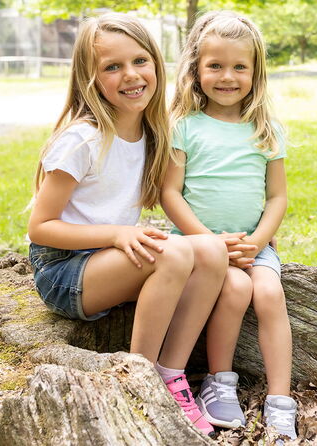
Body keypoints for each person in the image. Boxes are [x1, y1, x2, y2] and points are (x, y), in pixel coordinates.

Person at [26, 12, 226, 437]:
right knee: (172, 252)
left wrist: (221, 233)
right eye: (112, 67)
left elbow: (174, 200)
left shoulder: (152, 133)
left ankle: (170, 374)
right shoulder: (82, 139)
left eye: (140, 61)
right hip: (65, 270)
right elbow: (40, 227)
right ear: (89, 79)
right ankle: (137, 385)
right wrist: (118, 234)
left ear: (156, 63)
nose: (130, 75)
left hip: (113, 258)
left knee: (209, 250)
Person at [161, 10, 296, 441]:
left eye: (240, 67)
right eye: (215, 65)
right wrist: (208, 241)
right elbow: (170, 194)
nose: (227, 76)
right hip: (198, 245)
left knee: (269, 293)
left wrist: (256, 243)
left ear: (255, 73)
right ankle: (219, 386)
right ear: (196, 70)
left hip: (252, 244)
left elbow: (277, 197)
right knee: (235, 291)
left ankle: (280, 401)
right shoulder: (183, 127)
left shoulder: (266, 129)